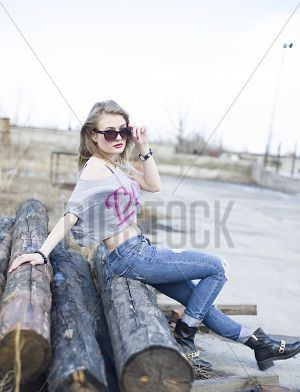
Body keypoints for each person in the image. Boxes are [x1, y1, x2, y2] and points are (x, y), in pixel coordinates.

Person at [8, 100, 300, 372]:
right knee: (216, 267)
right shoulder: (95, 167)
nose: (118, 137)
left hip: (139, 251)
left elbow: (153, 184)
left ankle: (259, 344)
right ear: (93, 135)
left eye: (123, 130)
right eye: (110, 132)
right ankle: (185, 335)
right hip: (130, 256)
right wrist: (42, 252)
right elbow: (70, 214)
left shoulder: (117, 165)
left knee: (199, 302)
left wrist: (144, 146)